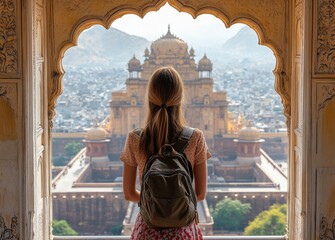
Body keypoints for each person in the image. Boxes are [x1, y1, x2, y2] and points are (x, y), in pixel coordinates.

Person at [120, 66, 211, 239]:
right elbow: (199, 194)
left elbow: (129, 194)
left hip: (148, 228)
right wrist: (173, 206)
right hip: (183, 230)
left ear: (149, 98)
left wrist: (157, 205)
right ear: (180, 98)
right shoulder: (196, 137)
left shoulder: (134, 138)